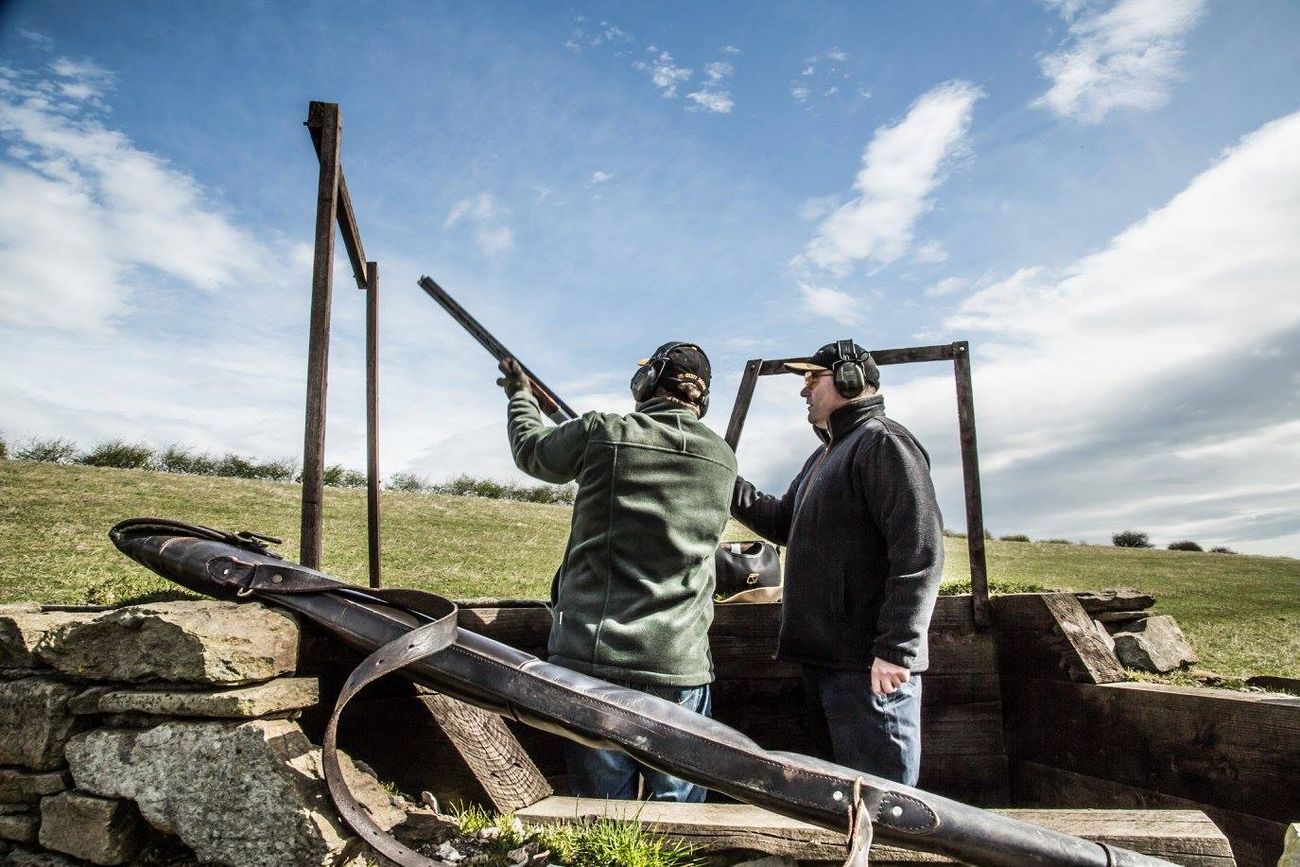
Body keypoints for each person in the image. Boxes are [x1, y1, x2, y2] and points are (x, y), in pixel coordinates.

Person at [496, 342, 737, 801]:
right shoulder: (723, 458)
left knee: (604, 815)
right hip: (680, 663)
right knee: (682, 819)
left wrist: (521, 396)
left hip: (594, 662)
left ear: (647, 382)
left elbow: (531, 450)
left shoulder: (602, 432)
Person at [730, 339, 943, 786]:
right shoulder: (827, 453)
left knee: (881, 803)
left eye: (813, 377)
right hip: (828, 664)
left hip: (870, 669)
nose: (804, 389)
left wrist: (896, 650)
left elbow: (919, 550)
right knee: (839, 801)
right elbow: (782, 521)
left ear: (849, 379)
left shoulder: (883, 442)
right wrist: (722, 477)